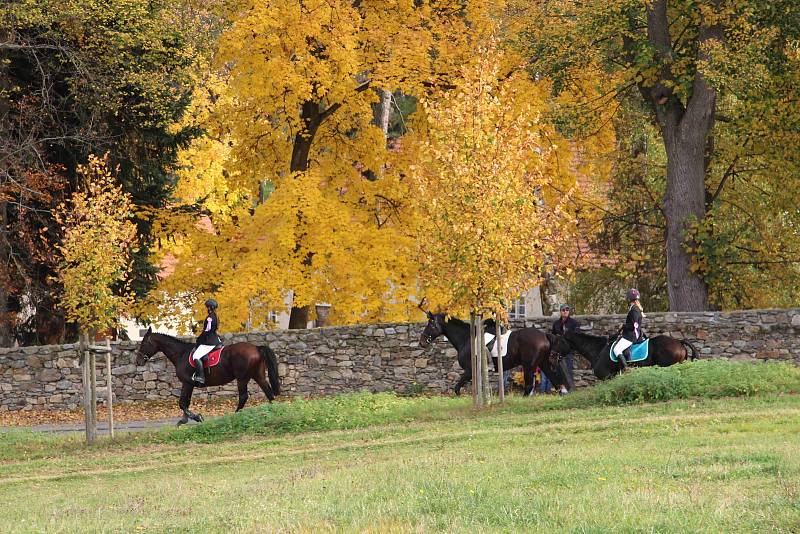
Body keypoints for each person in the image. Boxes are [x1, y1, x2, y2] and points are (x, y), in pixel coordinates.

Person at [192, 298, 222, 385]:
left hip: (209, 341)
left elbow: (207, 330)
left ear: (209, 307)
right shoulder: (215, 316)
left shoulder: (210, 318)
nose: (206, 308)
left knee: (196, 356)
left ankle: (200, 377)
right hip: (215, 338)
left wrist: (199, 339)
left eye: (207, 307)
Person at [613, 288, 644, 371]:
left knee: (616, 349)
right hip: (632, 334)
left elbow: (634, 326)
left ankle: (626, 368)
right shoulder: (635, 308)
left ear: (629, 299)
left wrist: (623, 326)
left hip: (631, 335)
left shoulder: (634, 310)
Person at [552, 304, 580, 394]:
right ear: (560, 311)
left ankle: (570, 389)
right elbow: (553, 337)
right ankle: (562, 389)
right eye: (563, 310)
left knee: (568, 369)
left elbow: (576, 336)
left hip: (568, 350)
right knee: (559, 370)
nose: (565, 311)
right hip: (558, 351)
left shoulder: (574, 323)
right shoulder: (556, 324)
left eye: (567, 310)